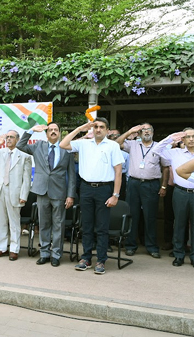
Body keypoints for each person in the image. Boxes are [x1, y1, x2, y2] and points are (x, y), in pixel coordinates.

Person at [60, 118, 124, 275]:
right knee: (86, 226)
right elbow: (63, 144)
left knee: (102, 227)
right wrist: (81, 128)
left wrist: (115, 195)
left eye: (102, 127)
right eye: (95, 127)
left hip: (104, 189)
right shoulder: (84, 144)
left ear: (107, 130)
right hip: (86, 188)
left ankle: (101, 260)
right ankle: (86, 258)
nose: (98, 129)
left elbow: (118, 172)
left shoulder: (113, 146)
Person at [17, 123, 76, 267]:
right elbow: (20, 145)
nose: (53, 132)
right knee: (43, 224)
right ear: (46, 133)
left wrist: (70, 195)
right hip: (41, 190)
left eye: (56, 130)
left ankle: (56, 254)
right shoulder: (38, 146)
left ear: (60, 133)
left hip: (59, 192)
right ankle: (44, 253)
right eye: (51, 130)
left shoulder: (66, 150)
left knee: (58, 225)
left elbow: (72, 175)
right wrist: (31, 131)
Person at [115, 123, 169, 259]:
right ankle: (130, 246)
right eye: (143, 130)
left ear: (153, 132)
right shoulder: (133, 144)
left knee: (150, 216)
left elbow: (166, 167)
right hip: (133, 183)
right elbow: (116, 143)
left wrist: (163, 186)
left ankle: (151, 247)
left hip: (151, 185)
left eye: (148, 129)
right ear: (139, 133)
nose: (146, 132)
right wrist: (129, 132)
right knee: (132, 215)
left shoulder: (159, 146)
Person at [0, 130, 32, 261]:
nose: (8, 139)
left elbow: (27, 179)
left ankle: (14, 250)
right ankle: (2, 248)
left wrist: (24, 195)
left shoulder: (25, 156)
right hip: (0, 190)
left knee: (14, 222)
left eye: (11, 137)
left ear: (17, 139)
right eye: (7, 137)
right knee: (2, 220)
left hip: (15, 192)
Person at [152, 128, 194, 267]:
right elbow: (156, 150)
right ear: (183, 139)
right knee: (179, 224)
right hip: (180, 192)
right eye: (188, 136)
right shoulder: (175, 153)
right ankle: (178, 254)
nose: (191, 139)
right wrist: (170, 138)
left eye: (193, 136)